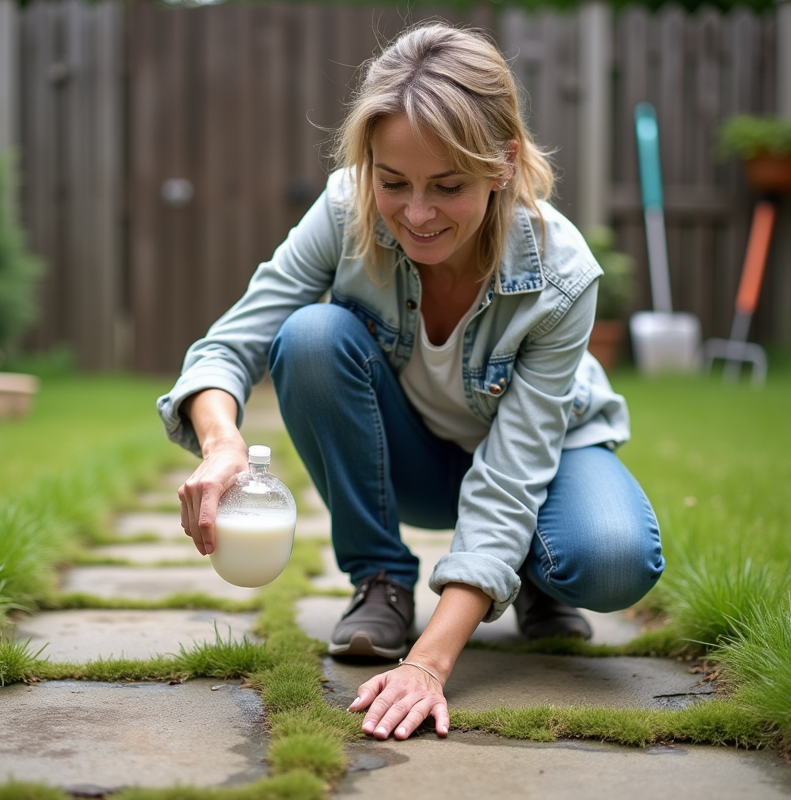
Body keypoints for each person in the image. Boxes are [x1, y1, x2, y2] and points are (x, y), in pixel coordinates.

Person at [160, 23, 664, 743]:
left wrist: (429, 665)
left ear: (504, 164)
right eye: (393, 182)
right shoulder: (344, 210)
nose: (417, 214)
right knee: (308, 336)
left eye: (448, 186)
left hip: (544, 460)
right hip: (418, 459)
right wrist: (220, 442)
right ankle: (381, 582)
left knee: (612, 558)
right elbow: (231, 342)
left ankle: (528, 579)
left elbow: (516, 471)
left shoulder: (561, 274)